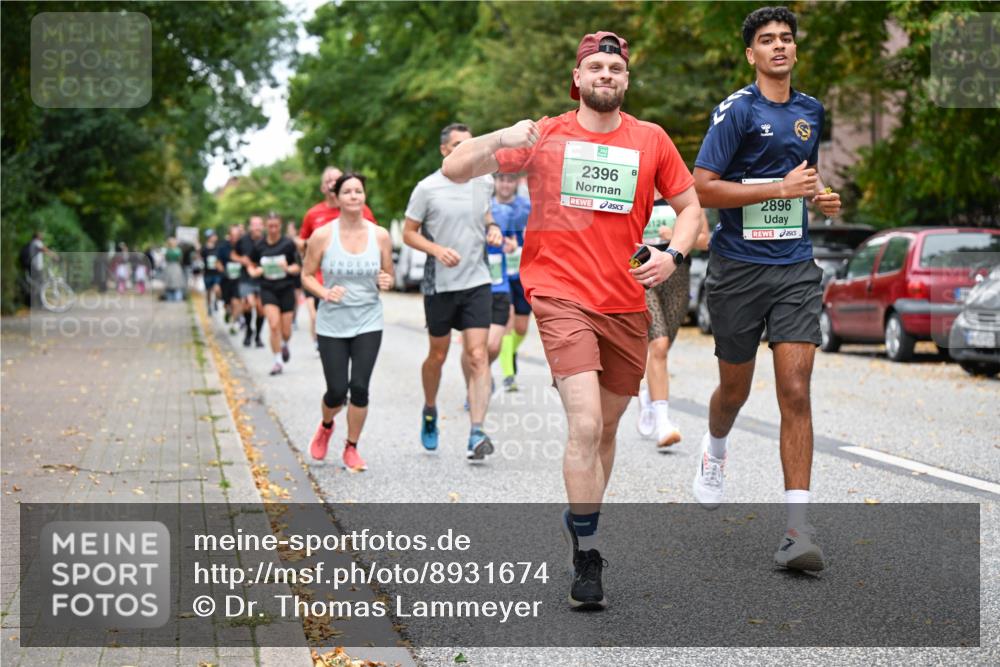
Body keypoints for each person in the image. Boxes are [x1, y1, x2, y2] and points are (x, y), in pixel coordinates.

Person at [442, 32, 702, 609]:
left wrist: (672, 255)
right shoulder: (547, 135)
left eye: (616, 67)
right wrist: (500, 138)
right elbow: (457, 167)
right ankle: (588, 554)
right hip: (560, 297)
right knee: (584, 426)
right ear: (578, 79)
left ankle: (581, 519)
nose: (606, 74)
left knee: (606, 431)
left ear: (626, 80)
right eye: (595, 67)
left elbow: (689, 208)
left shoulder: (651, 140)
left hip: (626, 302)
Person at [691, 6, 841, 572]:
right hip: (737, 269)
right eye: (766, 40)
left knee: (796, 390)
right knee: (734, 391)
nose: (778, 47)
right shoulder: (736, 111)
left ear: (795, 51)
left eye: (786, 39)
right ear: (751, 54)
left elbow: (805, 176)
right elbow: (703, 189)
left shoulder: (811, 111)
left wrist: (818, 197)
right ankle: (716, 449)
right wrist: (777, 187)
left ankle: (797, 531)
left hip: (795, 268)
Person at [403, 123, 504, 462]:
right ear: (445, 151)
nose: (467, 150)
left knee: (478, 355)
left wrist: (492, 229)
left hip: (477, 280)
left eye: (470, 144)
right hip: (440, 285)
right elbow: (408, 233)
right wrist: (435, 250)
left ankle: (477, 431)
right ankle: (429, 410)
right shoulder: (427, 188)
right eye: (460, 145)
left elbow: (486, 216)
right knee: (438, 356)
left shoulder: (484, 182)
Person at [301, 173, 394, 471]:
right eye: (348, 192)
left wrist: (386, 280)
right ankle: (327, 425)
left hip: (368, 319)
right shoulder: (322, 236)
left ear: (364, 196)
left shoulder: (380, 235)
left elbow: (388, 276)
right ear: (337, 198)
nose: (354, 196)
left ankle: (351, 447)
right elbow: (305, 276)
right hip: (332, 323)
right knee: (337, 391)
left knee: (360, 387)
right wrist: (325, 292)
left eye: (359, 191)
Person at [636, 201, 711, 448]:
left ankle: (650, 393)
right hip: (642, 270)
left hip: (676, 274)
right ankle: (663, 423)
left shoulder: (683, 192)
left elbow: (705, 240)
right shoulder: (637, 185)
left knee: (663, 348)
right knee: (658, 344)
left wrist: (676, 240)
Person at [300, 167, 380, 350]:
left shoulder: (360, 208)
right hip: (320, 277)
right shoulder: (313, 214)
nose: (332, 183)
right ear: (323, 187)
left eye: (336, 180)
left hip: (355, 282)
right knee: (315, 315)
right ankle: (322, 342)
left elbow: (374, 239)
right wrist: (311, 246)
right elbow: (302, 239)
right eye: (328, 180)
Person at [492, 172, 532, 392]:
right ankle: (508, 374)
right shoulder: (487, 208)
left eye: (510, 180)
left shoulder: (526, 207)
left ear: (516, 182)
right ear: (495, 182)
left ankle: (509, 351)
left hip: (521, 272)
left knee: (521, 327)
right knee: (506, 321)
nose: (506, 184)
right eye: (502, 179)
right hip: (499, 274)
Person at [247, 213, 301, 375]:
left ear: (280, 226)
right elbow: (250, 264)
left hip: (286, 289)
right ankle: (277, 361)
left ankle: (284, 344)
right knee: (273, 325)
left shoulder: (288, 244)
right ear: (265, 226)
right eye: (270, 226)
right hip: (267, 288)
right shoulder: (259, 246)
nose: (273, 229)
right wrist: (254, 272)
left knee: (286, 331)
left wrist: (286, 268)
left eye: (276, 226)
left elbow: (297, 267)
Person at [233, 216, 266, 348]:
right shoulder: (243, 240)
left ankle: (258, 336)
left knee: (260, 308)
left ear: (262, 226)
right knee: (247, 305)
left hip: (262, 278)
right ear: (250, 226)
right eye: (254, 224)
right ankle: (248, 331)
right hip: (246, 277)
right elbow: (233, 254)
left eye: (259, 224)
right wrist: (242, 260)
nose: (257, 227)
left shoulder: (266, 241)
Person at [218, 225, 243, 335]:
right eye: (233, 235)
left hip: (238, 280)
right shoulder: (223, 247)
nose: (235, 238)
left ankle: (233, 323)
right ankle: (228, 311)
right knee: (227, 303)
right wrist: (223, 270)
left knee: (236, 301)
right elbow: (218, 262)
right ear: (229, 235)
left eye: (237, 235)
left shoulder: (242, 247)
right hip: (226, 279)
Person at [201, 229, 223, 314]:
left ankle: (216, 302)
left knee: (217, 289)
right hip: (208, 272)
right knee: (209, 291)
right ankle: (209, 305)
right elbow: (201, 257)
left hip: (217, 273)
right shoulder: (204, 248)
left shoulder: (219, 247)